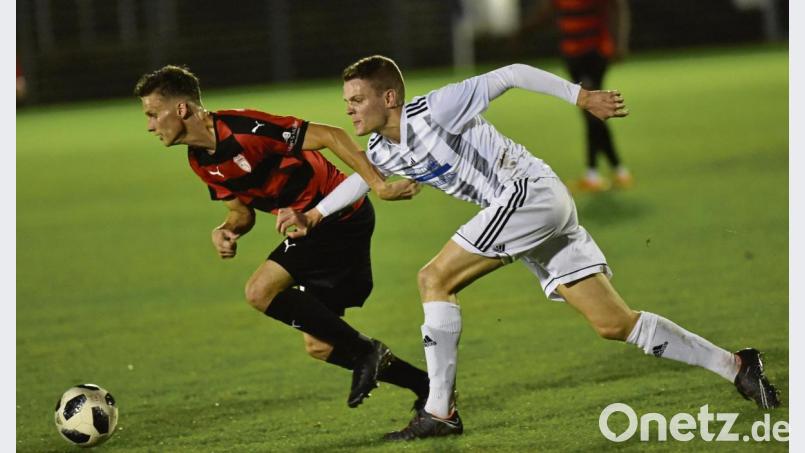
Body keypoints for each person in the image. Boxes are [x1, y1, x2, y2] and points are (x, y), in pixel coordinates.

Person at [277, 55, 780, 440]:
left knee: (434, 279)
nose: (348, 109)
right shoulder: (383, 150)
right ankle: (736, 366)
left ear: (389, 98)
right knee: (614, 323)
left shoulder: (436, 109)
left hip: (527, 193)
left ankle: (439, 411)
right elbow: (364, 181)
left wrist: (580, 97)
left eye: (356, 99)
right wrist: (314, 216)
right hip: (530, 212)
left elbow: (512, 73)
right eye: (346, 102)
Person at [133, 64, 430, 411]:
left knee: (259, 290)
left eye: (154, 114)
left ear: (181, 109)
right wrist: (226, 230)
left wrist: (378, 184)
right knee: (320, 345)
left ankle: (369, 352)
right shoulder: (199, 161)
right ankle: (424, 385)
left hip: (336, 217)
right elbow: (241, 213)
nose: (150, 125)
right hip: (311, 227)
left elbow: (332, 135)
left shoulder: (245, 129)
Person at [517, 0, 632, 191]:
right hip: (572, 53)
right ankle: (615, 171)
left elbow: (617, 7)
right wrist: (523, 31)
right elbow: (547, 12)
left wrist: (619, 42)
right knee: (590, 111)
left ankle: (599, 174)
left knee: (591, 110)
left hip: (593, 51)